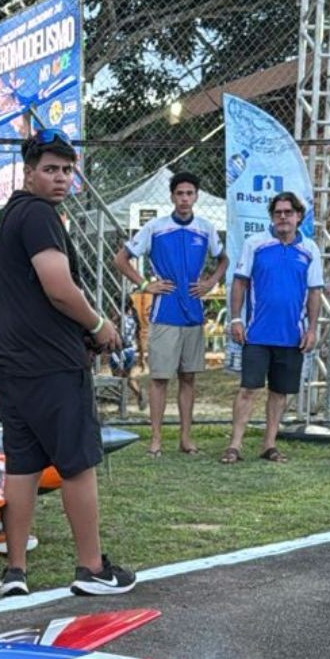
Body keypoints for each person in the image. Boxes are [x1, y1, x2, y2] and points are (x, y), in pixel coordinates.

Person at [0, 130, 136, 599]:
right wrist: (98, 326)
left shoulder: (9, 216)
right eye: (50, 169)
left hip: (12, 361)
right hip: (48, 363)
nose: (60, 178)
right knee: (77, 464)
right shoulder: (40, 216)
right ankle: (91, 568)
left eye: (67, 170)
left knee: (24, 465)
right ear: (29, 173)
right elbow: (58, 286)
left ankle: (15, 570)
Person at [111, 170, 227, 456]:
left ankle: (186, 438)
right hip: (165, 314)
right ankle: (156, 439)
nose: (185, 198)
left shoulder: (206, 228)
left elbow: (224, 258)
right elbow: (121, 259)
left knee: (188, 377)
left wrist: (210, 283)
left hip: (194, 314)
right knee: (160, 378)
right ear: (172, 196)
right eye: (180, 193)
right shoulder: (156, 227)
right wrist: (145, 285)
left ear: (196, 196)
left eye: (190, 193)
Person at [222, 192, 322, 464]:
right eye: (278, 212)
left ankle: (269, 444)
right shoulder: (255, 244)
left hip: (292, 336)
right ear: (271, 216)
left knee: (279, 392)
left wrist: (312, 329)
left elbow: (314, 293)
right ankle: (235, 445)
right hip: (257, 333)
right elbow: (240, 283)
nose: (283, 217)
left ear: (298, 216)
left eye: (288, 212)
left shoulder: (310, 249)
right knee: (248, 389)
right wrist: (236, 319)